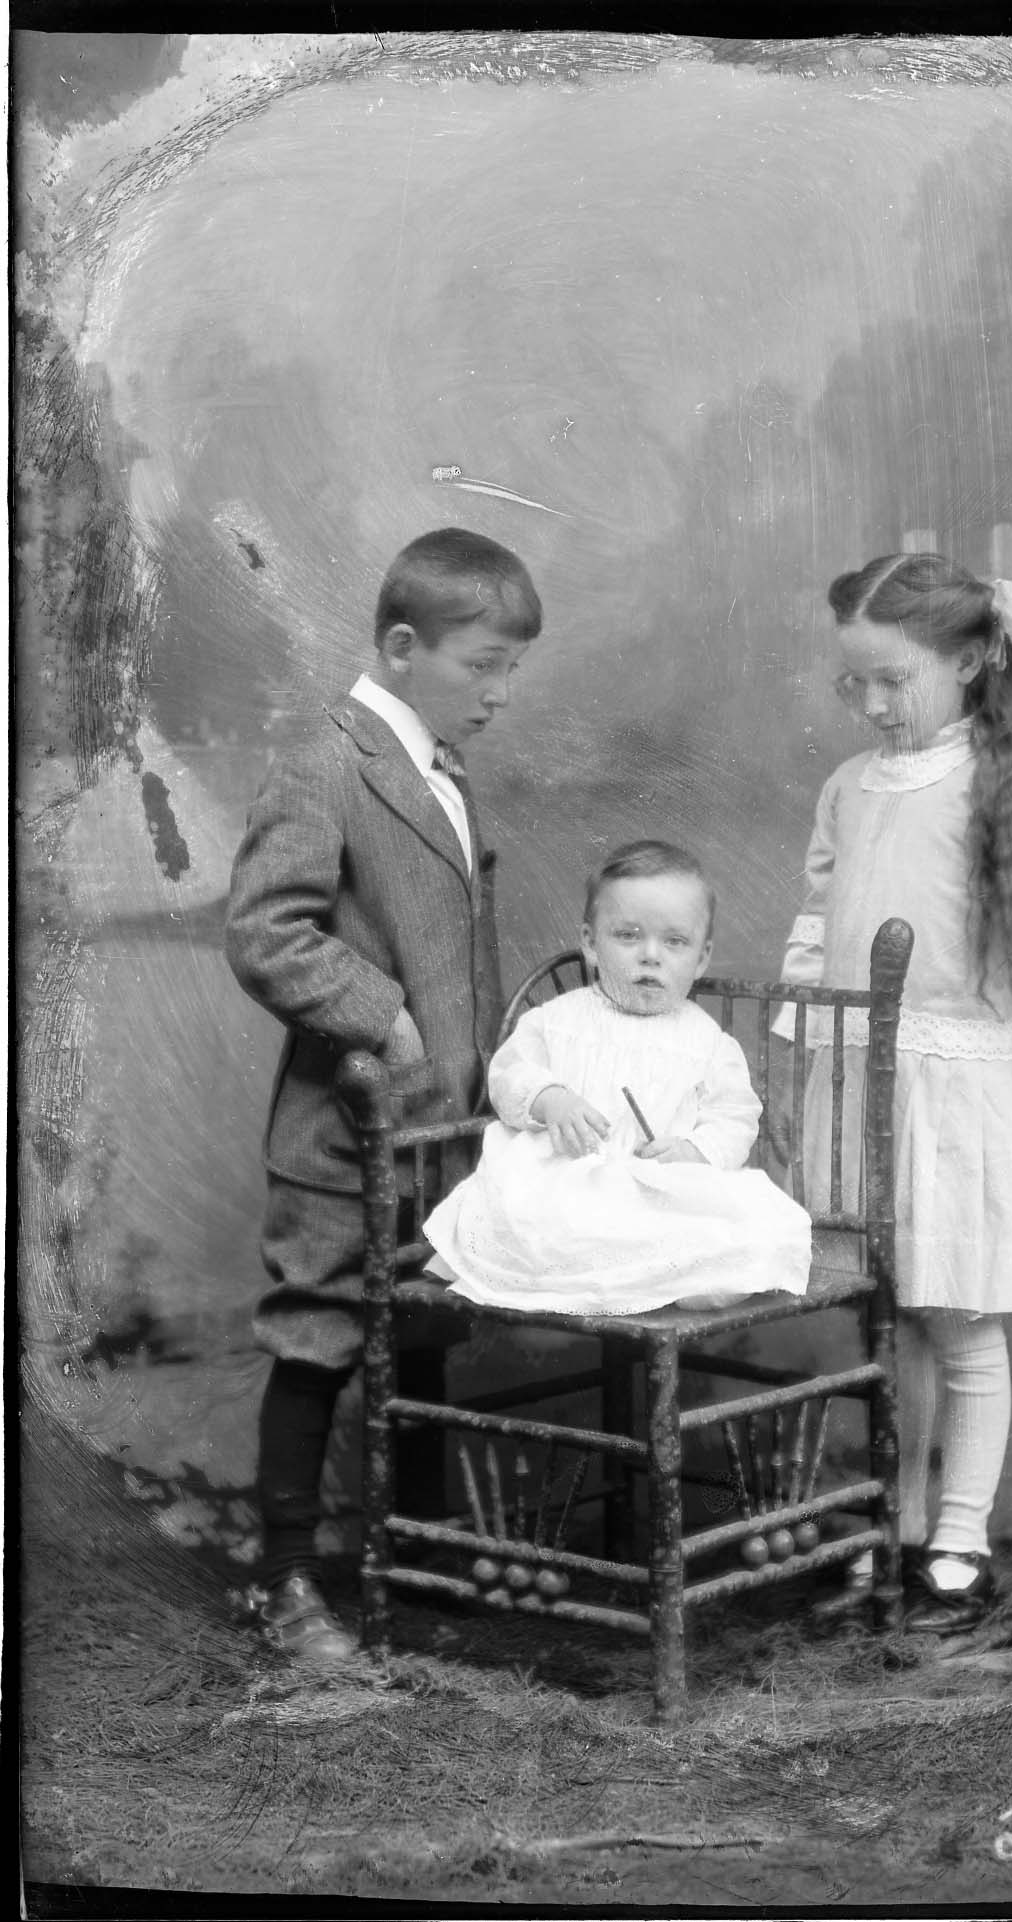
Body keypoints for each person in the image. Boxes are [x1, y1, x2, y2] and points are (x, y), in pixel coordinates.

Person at [225, 527, 542, 1664]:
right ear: (403, 647)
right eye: (482, 667)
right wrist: (384, 1017)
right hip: (343, 1131)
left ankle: (415, 1556)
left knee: (418, 1329)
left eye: (510, 670)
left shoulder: (443, 767)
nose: (499, 693)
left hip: (436, 1129)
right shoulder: (325, 758)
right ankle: (285, 1580)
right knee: (319, 1333)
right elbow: (266, 932)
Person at [771, 552, 1012, 1632]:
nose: (871, 704)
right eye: (854, 682)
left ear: (966, 663)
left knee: (957, 1319)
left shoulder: (1000, 784)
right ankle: (897, 1522)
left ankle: (958, 1535)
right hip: (857, 1079)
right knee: (892, 1313)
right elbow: (818, 915)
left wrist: (969, 997)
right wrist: (803, 1041)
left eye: (892, 680)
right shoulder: (847, 786)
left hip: (955, 1089)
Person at [424, 840, 812, 1314]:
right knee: (544, 1223)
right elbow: (509, 1075)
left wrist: (696, 1150)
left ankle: (664, 1277)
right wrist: (550, 1099)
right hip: (568, 1185)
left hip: (659, 1192)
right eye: (628, 936)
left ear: (702, 957)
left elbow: (735, 1115)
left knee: (753, 1226)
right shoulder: (557, 1021)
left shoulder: (708, 1042)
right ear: (590, 943)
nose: (651, 956)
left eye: (675, 942)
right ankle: (608, 1279)